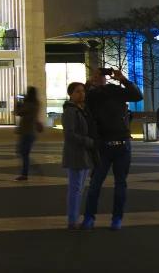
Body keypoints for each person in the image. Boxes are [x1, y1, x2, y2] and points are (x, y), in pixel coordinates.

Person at [81, 66, 143, 230]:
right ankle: (89, 218)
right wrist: (90, 82)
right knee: (95, 184)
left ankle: (117, 219)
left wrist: (122, 79)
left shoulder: (116, 90)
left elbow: (138, 96)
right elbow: (81, 99)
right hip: (102, 146)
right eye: (98, 74)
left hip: (122, 145)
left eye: (103, 75)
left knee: (120, 184)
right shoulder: (92, 95)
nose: (101, 77)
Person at [61, 81, 95, 229]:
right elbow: (69, 135)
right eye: (77, 91)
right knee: (75, 188)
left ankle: (74, 218)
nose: (82, 94)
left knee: (78, 188)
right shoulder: (70, 111)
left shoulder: (82, 109)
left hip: (83, 154)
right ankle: (72, 220)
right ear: (71, 94)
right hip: (75, 154)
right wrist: (88, 141)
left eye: (83, 91)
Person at [14, 86, 42, 181]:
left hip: (26, 131)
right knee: (24, 152)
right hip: (31, 131)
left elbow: (18, 112)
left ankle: (25, 173)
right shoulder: (36, 104)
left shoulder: (28, 104)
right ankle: (29, 168)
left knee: (22, 153)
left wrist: (18, 103)